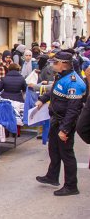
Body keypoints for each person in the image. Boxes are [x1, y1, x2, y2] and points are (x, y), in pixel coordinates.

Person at [35, 52, 86, 196]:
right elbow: (54, 91)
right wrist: (43, 99)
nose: (52, 65)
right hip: (56, 120)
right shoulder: (61, 76)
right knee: (54, 150)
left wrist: (65, 130)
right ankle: (52, 176)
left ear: (63, 64)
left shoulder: (74, 82)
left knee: (67, 154)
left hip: (65, 122)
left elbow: (73, 109)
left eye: (54, 62)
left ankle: (71, 186)